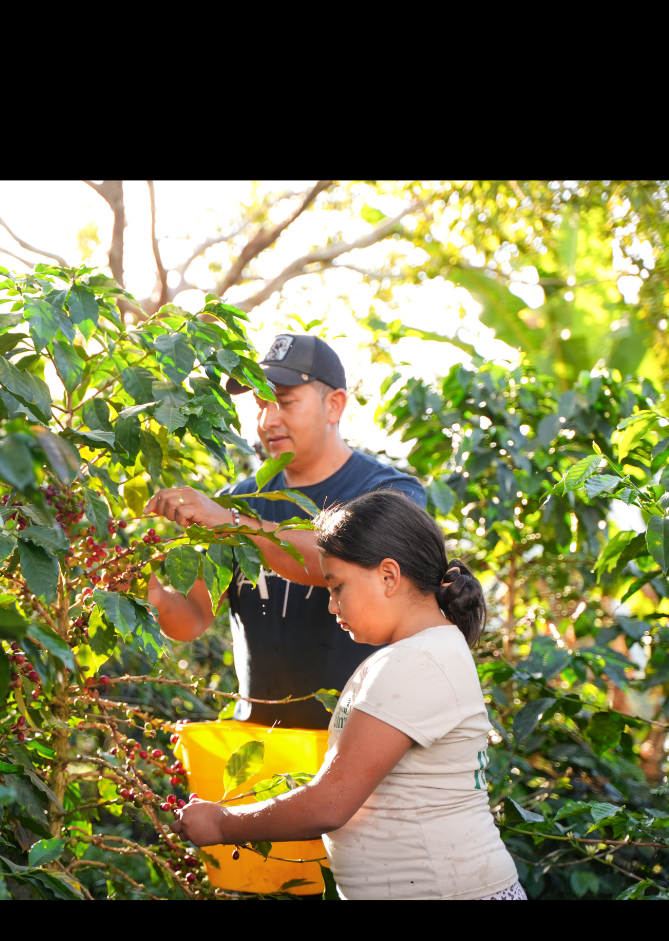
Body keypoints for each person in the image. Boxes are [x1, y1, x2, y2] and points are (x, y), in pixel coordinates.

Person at [170, 490, 524, 900]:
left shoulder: (419, 660)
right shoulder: (419, 652)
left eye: (337, 588)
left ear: (388, 576)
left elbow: (329, 803)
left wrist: (222, 823)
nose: (332, 606)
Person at [145, 333, 426, 728]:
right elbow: (193, 616)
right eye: (261, 404)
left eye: (285, 402)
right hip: (259, 745)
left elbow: (335, 559)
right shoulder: (238, 503)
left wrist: (232, 523)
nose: (267, 420)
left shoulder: (391, 494)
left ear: (335, 405)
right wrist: (154, 596)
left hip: (360, 747)